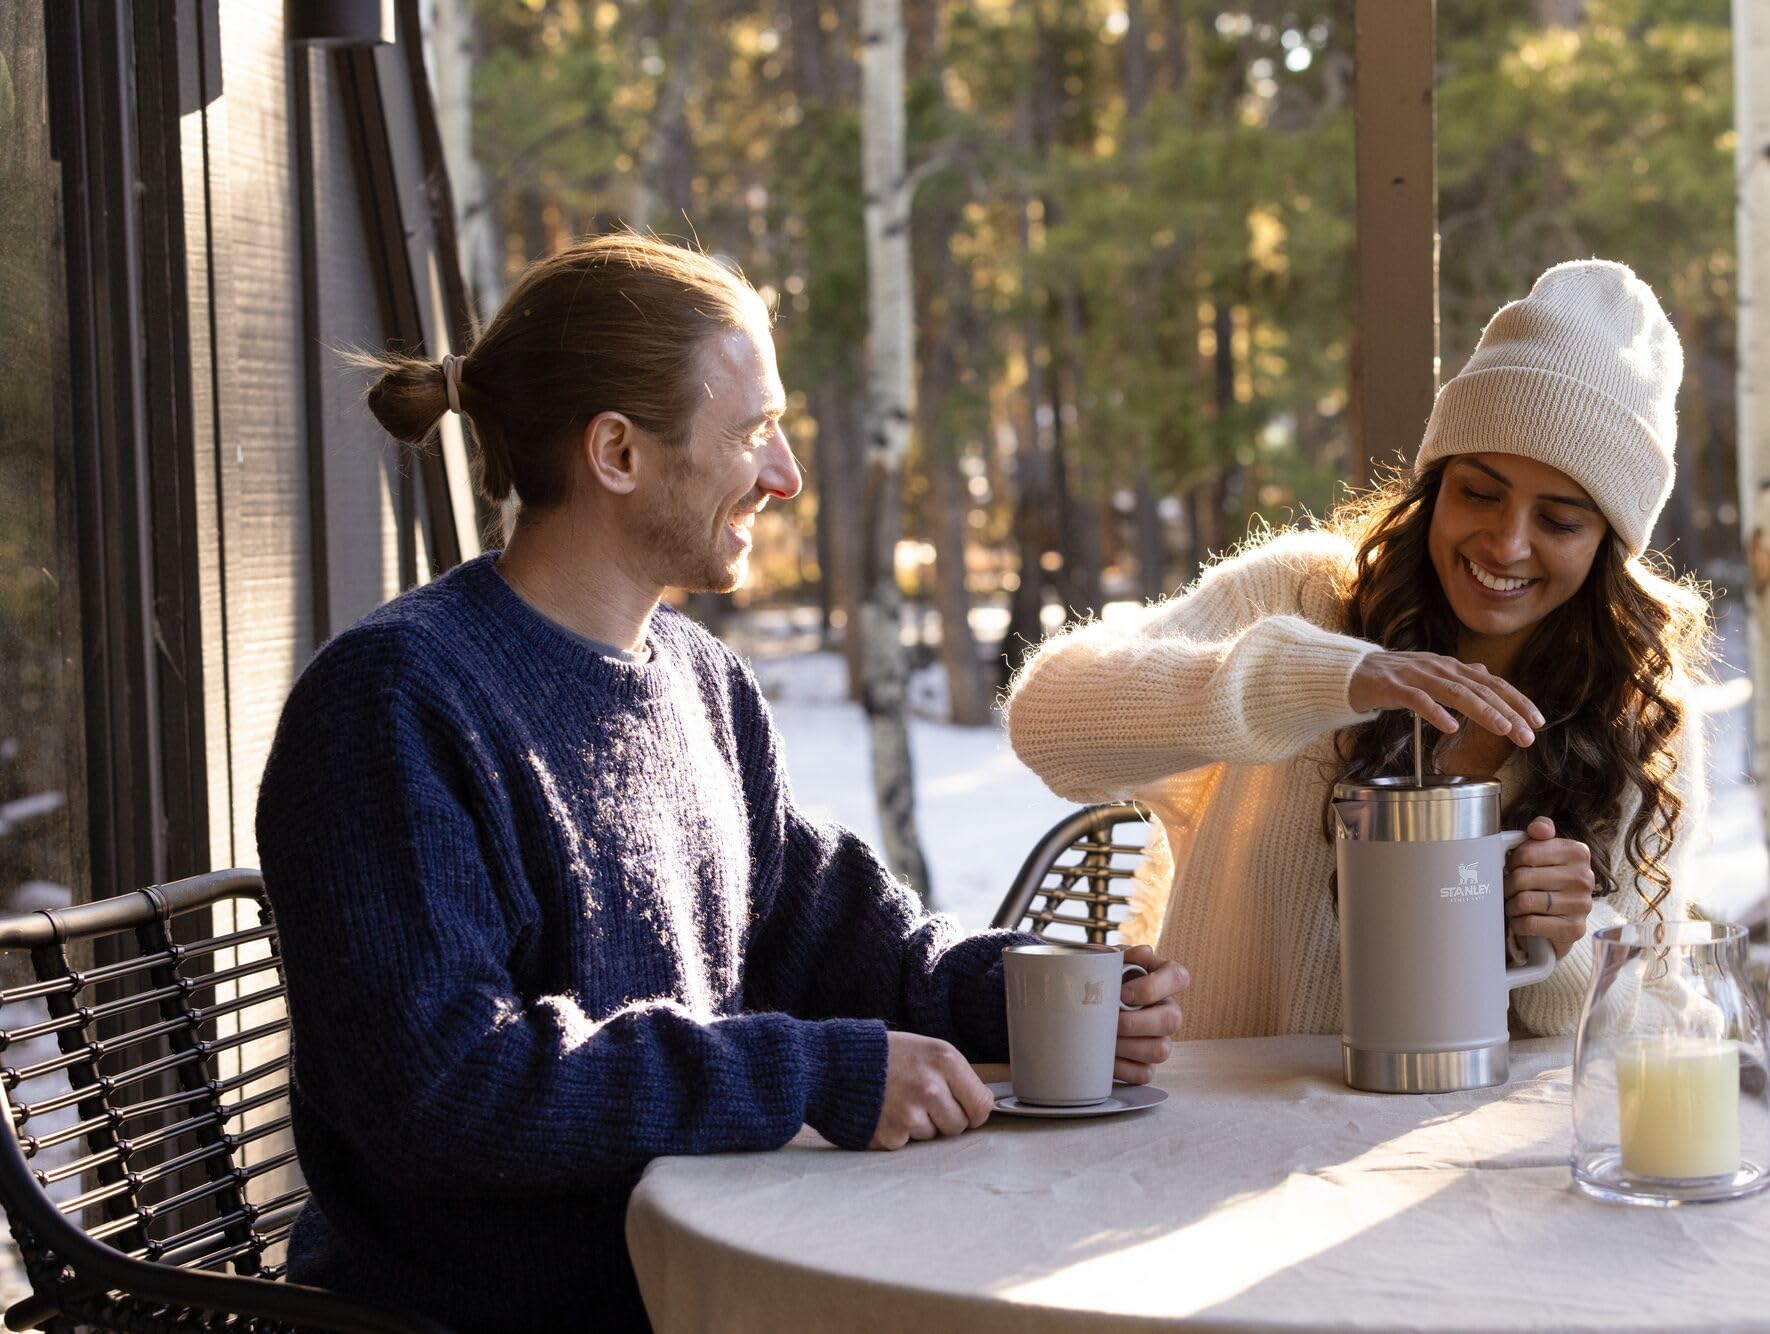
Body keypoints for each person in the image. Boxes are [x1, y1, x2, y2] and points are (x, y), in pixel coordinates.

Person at [254, 233, 1189, 1333]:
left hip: (701, 1281)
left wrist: (1025, 993)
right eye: (751, 431)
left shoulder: (701, 681)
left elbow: (831, 933)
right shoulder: (394, 702)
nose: (785, 473)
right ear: (616, 451)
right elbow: (450, 1089)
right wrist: (809, 1071)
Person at [1004, 259, 1710, 1042]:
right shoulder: (1305, 598)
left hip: (1452, 1155)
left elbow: (1660, 1027)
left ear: (1609, 544)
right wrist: (1333, 678)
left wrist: (1567, 947)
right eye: (1479, 492)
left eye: (1560, 520)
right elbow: (1046, 722)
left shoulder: (1639, 712)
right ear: (1434, 486)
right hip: (1224, 1141)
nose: (1506, 544)